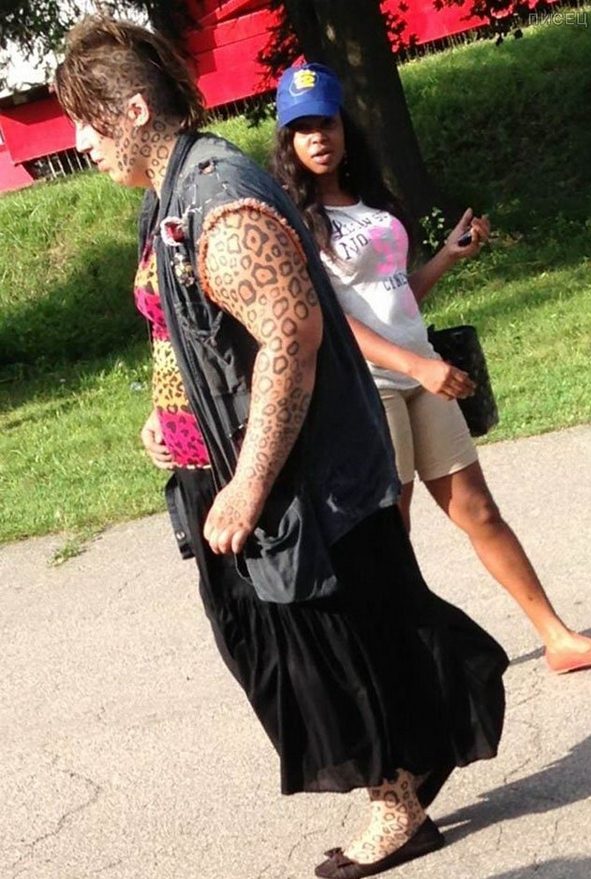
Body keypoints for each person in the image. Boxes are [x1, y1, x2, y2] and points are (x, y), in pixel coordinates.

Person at [54, 19, 509, 878]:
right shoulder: (166, 194)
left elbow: (292, 338)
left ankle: (398, 803)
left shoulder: (219, 198)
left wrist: (250, 483)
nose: (80, 142)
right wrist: (167, 413)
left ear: (135, 110)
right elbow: (185, 326)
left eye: (90, 120)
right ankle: (426, 737)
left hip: (288, 482)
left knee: (327, 656)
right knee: (300, 649)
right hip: (226, 470)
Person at [271, 62, 591, 678]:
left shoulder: (369, 204)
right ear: (288, 140)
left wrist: (446, 257)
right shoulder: (292, 221)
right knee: (391, 537)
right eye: (303, 128)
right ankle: (397, 669)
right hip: (370, 389)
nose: (319, 137)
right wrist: (416, 367)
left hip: (422, 374)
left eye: (328, 123)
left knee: (480, 512)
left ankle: (557, 638)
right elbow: (329, 324)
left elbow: (395, 298)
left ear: (345, 128)